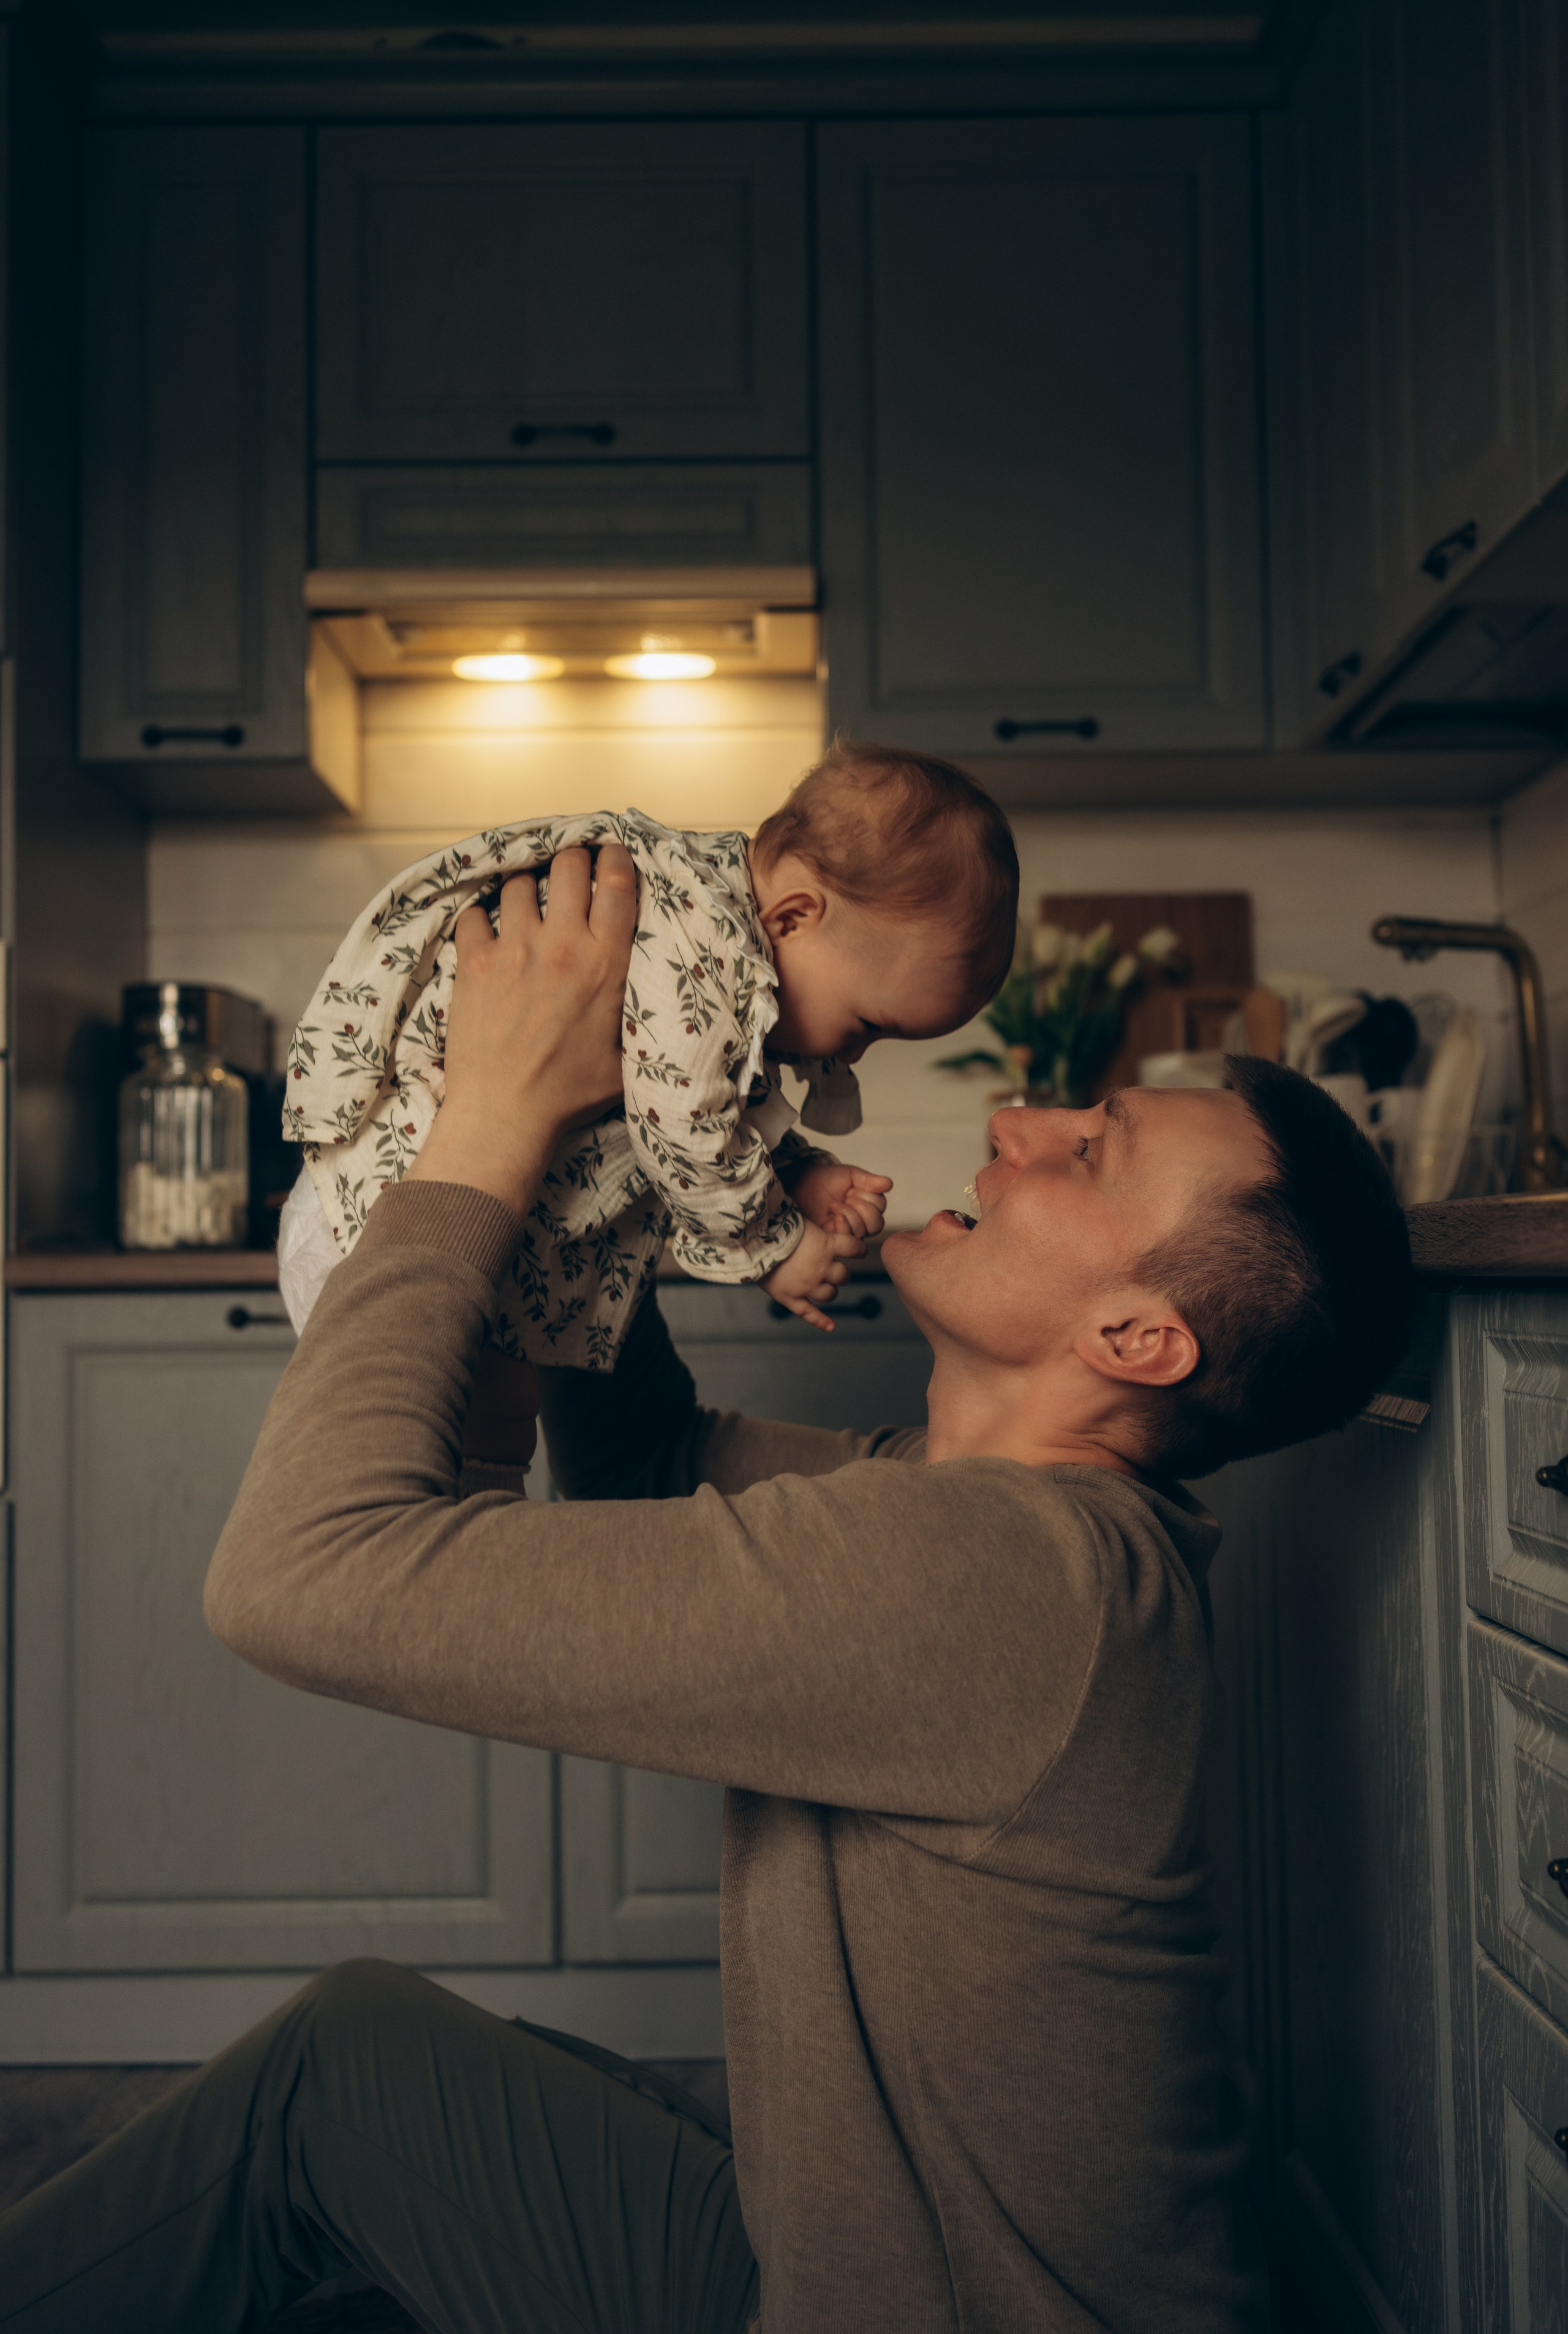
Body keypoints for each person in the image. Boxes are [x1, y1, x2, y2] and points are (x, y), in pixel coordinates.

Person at [0, 846, 1414, 2334]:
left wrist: (484, 1118)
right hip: (833, 2262)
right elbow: (650, 1461)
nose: (1018, 1116)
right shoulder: (997, 1530)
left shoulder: (998, 1579)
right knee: (415, 2075)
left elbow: (294, 1575)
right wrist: (613, 1139)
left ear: (1135, 1337)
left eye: (1087, 1148)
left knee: (324, 2090)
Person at [277, 741, 1018, 1370]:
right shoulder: (704, 943)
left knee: (482, 1466)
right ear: (794, 917)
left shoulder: (712, 932)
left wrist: (793, 1171)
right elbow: (679, 1118)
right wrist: (776, 1246)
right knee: (448, 1485)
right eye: (867, 1024)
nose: (853, 1054)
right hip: (380, 1230)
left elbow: (679, 1090)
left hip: (422, 1223)